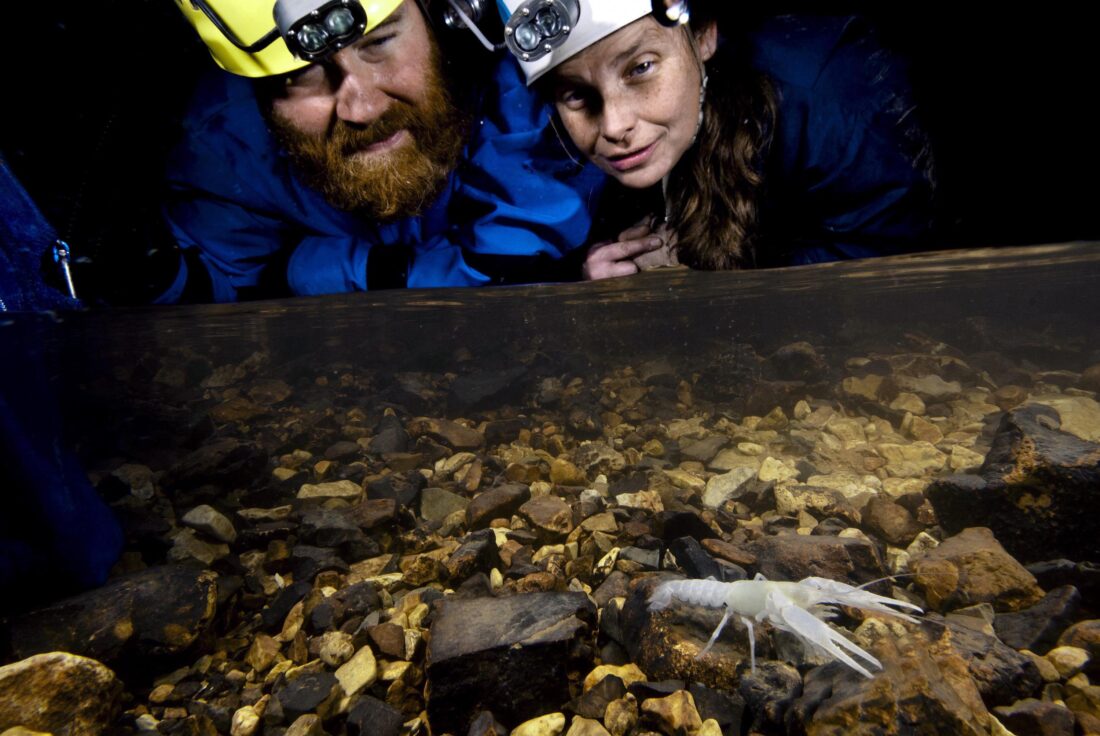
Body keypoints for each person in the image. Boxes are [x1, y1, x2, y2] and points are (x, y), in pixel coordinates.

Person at [160, 0, 605, 302]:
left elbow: (516, 278)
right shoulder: (224, 140)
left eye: (378, 43)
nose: (364, 108)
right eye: (302, 75)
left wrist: (304, 266)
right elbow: (209, 293)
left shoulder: (526, 81)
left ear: (441, 15)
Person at [496, 0, 937, 280]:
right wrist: (588, 274)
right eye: (577, 95)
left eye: (641, 68)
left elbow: (896, 266)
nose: (613, 126)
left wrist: (704, 279)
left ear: (704, 33)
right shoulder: (561, 136)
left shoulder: (826, 95)